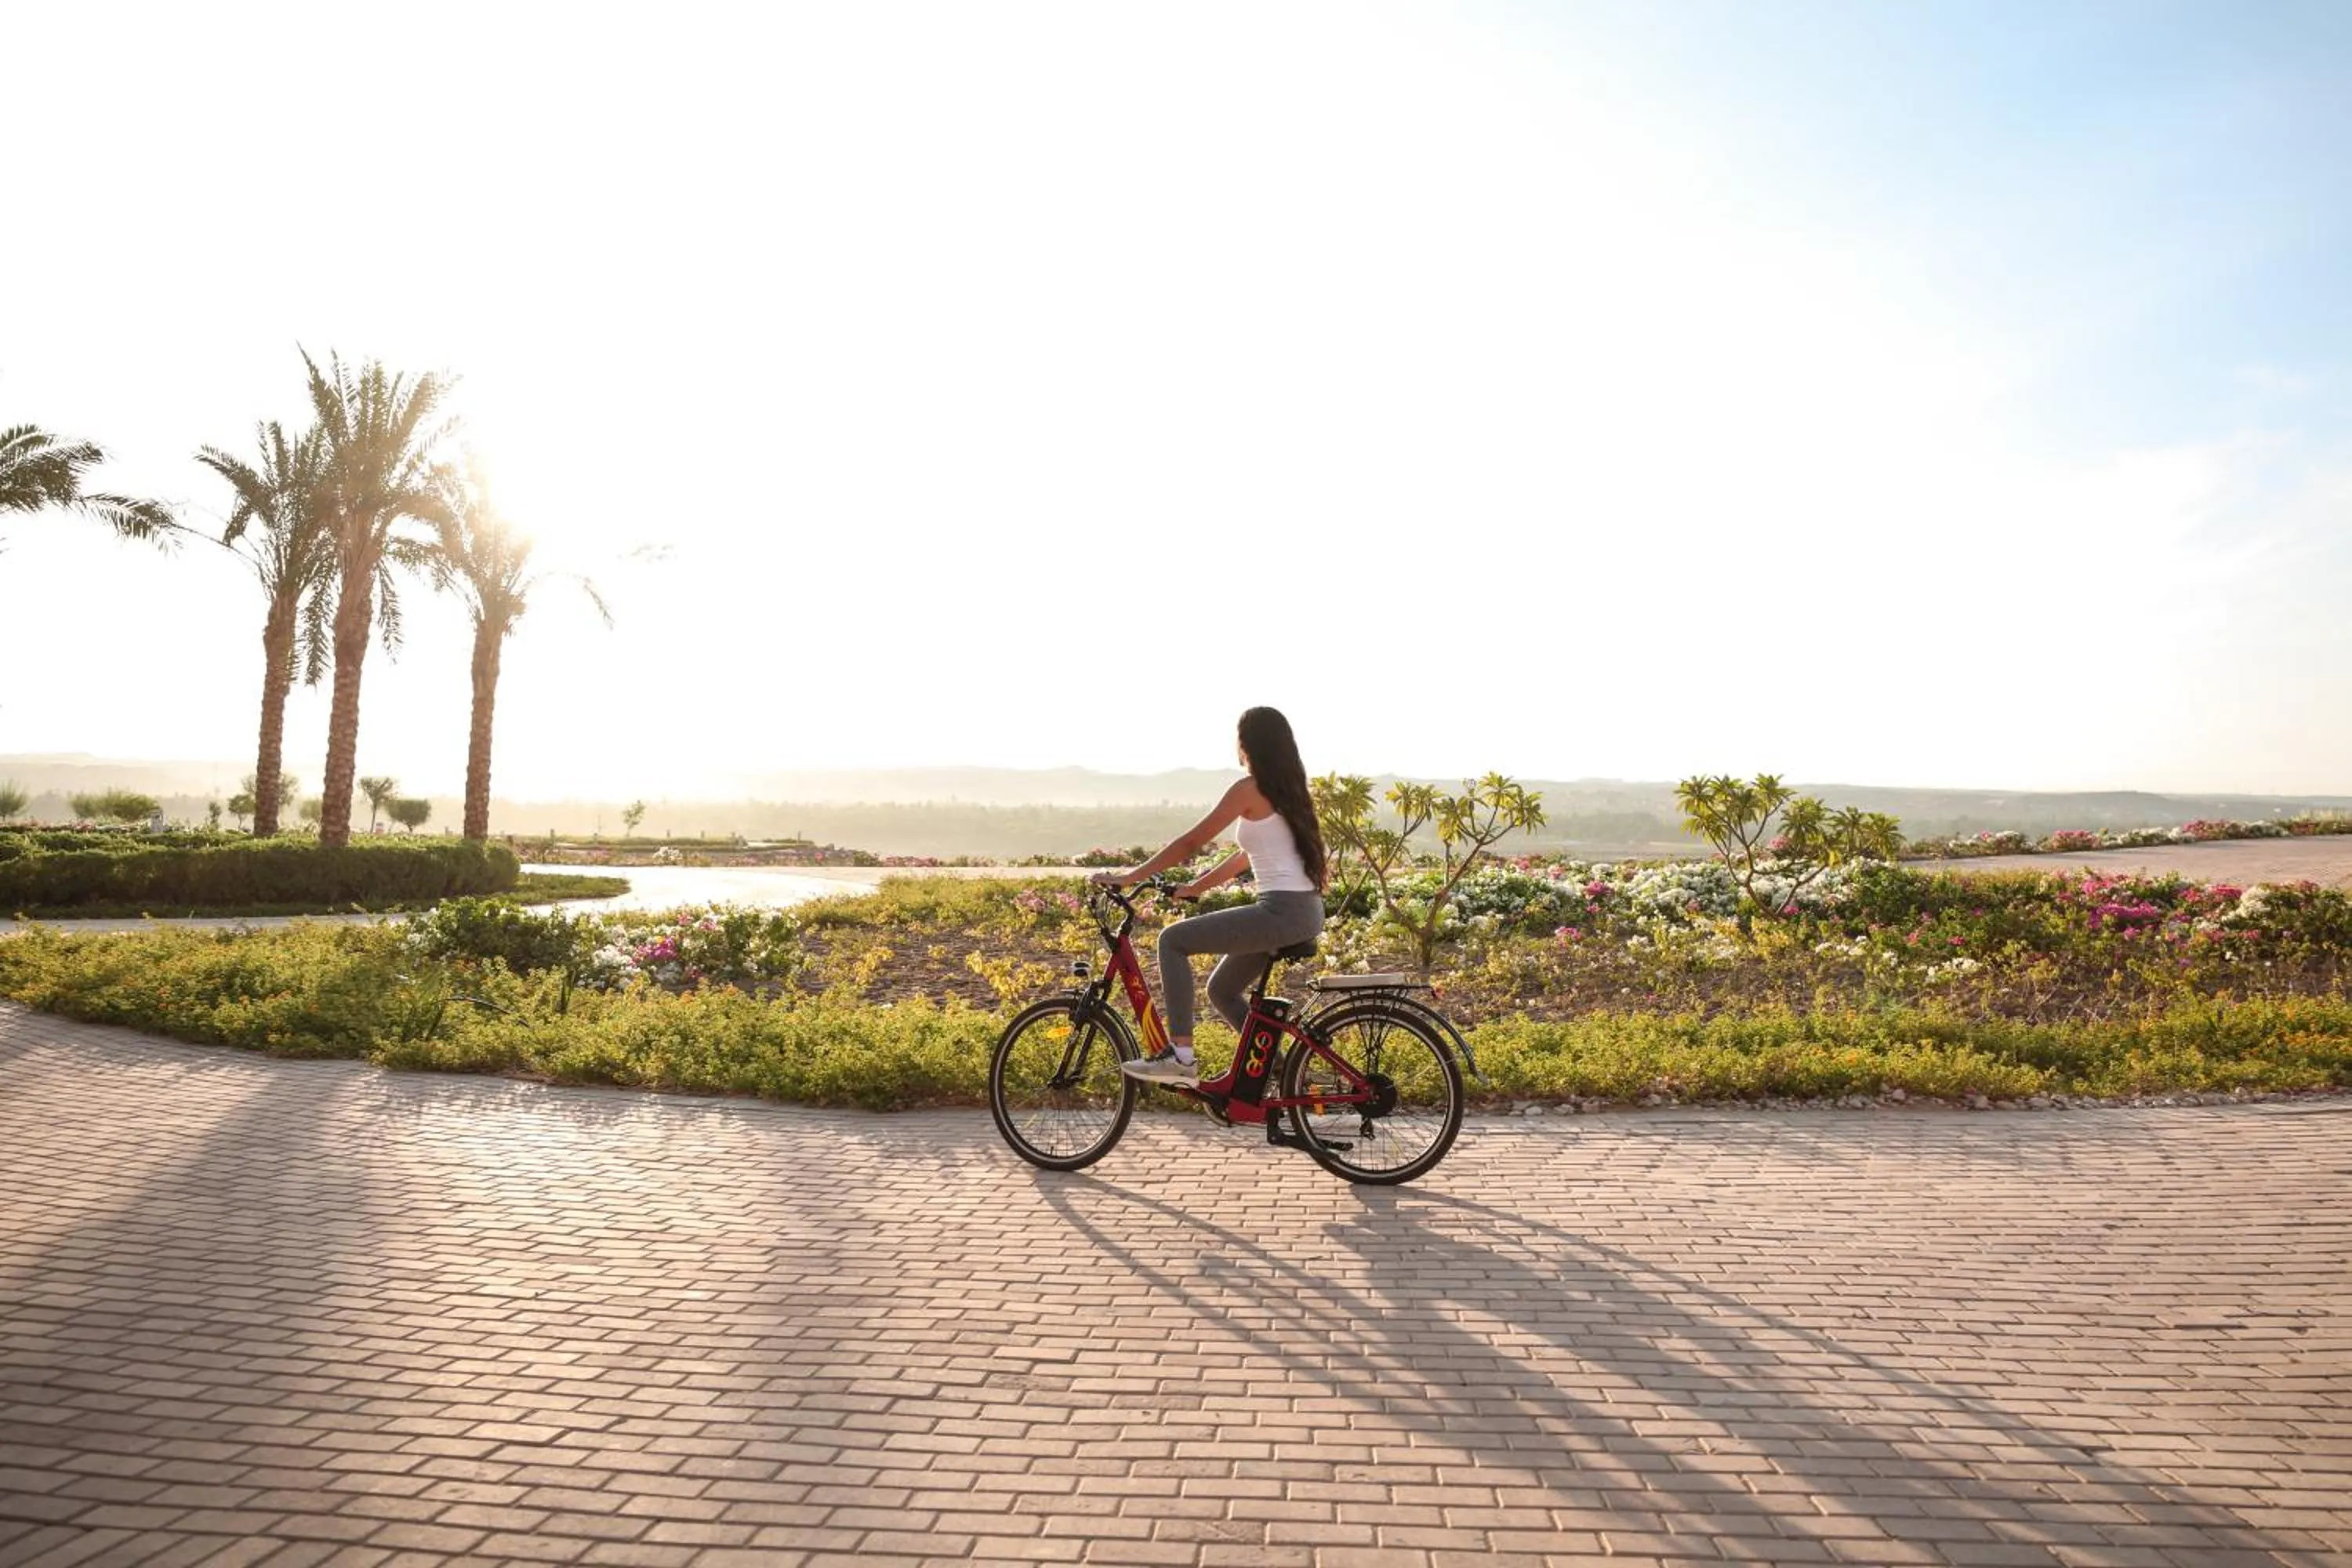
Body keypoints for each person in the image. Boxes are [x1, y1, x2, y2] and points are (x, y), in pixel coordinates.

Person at [1090, 706, 1328, 1084]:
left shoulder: (1249, 789)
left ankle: (1181, 1056)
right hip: (1302, 911)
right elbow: (1247, 855)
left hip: (1283, 912)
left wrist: (1129, 876)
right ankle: (1286, 1076)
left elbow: (1191, 841)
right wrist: (1196, 888)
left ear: (1248, 744)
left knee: (1172, 940)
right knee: (1221, 989)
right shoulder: (1289, 791)